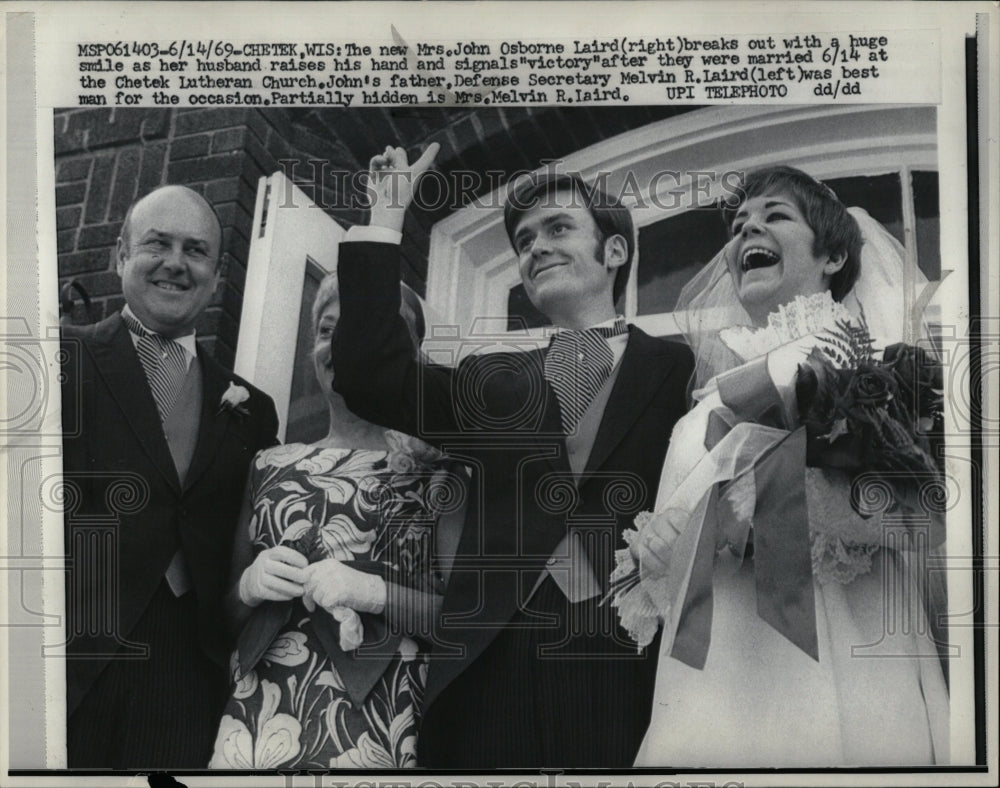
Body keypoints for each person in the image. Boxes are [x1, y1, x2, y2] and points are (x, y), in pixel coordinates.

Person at [330, 144, 694, 767]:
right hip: (486, 657)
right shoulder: (488, 378)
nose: (536, 248)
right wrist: (385, 221)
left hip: (626, 657)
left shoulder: (680, 367)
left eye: (558, 229)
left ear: (614, 252)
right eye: (524, 241)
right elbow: (368, 373)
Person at [618, 166, 949, 766]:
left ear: (833, 255)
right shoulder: (700, 412)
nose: (748, 230)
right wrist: (660, 548)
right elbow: (671, 582)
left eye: (774, 216)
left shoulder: (873, 368)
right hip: (717, 683)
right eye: (740, 223)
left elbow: (919, 519)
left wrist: (772, 501)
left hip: (844, 658)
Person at [60, 185, 279, 768]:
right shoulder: (60, 358)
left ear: (214, 272)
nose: (176, 263)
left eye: (195, 250)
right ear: (120, 255)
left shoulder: (252, 409)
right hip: (64, 655)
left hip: (187, 674)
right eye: (157, 244)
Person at [208, 274, 457, 769]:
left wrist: (374, 593)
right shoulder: (268, 465)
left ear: (412, 353)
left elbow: (466, 620)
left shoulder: (438, 469)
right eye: (328, 330)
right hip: (255, 726)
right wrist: (249, 588)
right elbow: (221, 621)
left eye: (372, 330)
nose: (344, 345)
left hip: (379, 728)